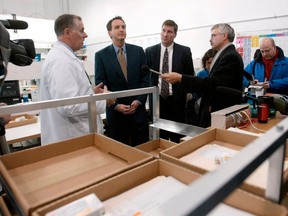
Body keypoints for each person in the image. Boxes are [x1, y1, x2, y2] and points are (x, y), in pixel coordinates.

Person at [40, 14, 110, 145]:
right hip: (71, 139)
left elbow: (70, 97)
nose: (86, 35)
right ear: (67, 32)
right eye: (81, 30)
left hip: (75, 137)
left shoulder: (65, 57)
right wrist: (104, 100)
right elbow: (69, 106)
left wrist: (90, 93)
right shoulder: (61, 61)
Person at [161, 23, 244, 128]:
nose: (210, 39)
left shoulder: (230, 56)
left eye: (213, 35)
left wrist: (180, 78)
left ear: (224, 36)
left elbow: (211, 83)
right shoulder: (224, 54)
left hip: (221, 111)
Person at [95, 16, 149, 147]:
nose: (121, 30)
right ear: (109, 32)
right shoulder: (101, 55)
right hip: (116, 117)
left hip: (138, 115)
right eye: (117, 27)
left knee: (143, 153)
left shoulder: (138, 51)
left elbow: (146, 79)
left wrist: (139, 101)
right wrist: (116, 105)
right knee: (120, 155)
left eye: (123, 27)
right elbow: (101, 85)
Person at [145, 19, 194, 143]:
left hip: (176, 100)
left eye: (169, 32)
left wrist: (188, 94)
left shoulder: (184, 51)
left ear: (175, 34)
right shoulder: (150, 51)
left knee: (177, 137)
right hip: (157, 101)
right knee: (160, 137)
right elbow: (145, 75)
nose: (165, 34)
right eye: (163, 30)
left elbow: (189, 76)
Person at [186, 48, 217, 124]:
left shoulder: (219, 74)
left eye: (213, 63)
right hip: (202, 106)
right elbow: (195, 92)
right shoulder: (201, 74)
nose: (210, 66)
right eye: (208, 63)